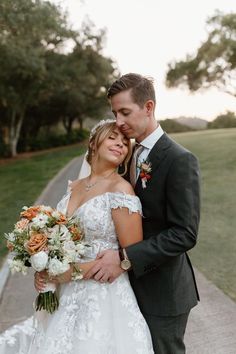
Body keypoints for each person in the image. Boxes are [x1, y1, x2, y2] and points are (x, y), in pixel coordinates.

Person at [0, 120, 154, 354]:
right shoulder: (75, 186)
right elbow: (60, 240)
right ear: (93, 142)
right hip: (63, 295)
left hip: (102, 298)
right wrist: (46, 271)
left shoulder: (121, 191)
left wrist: (69, 272)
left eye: (125, 143)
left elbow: (131, 255)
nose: (120, 144)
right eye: (112, 137)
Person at [84, 73, 201, 354]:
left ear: (148, 108)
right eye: (114, 113)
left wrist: (125, 258)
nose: (119, 121)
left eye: (125, 112)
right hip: (124, 290)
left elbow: (184, 234)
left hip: (163, 293)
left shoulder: (179, 160)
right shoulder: (127, 154)